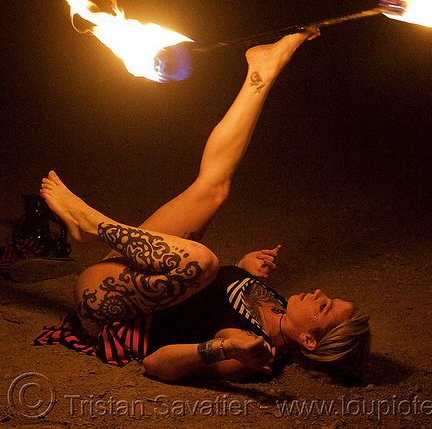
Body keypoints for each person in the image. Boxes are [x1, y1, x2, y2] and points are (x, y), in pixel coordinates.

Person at [38, 28, 370, 383]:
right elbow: (213, 303)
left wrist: (225, 350)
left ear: (308, 340)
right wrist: (241, 268)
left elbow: (155, 364)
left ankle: (93, 224)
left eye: (323, 307)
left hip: (105, 304)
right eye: (328, 297)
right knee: (213, 189)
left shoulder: (256, 352)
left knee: (203, 262)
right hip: (135, 273)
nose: (320, 294)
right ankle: (263, 71)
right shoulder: (277, 304)